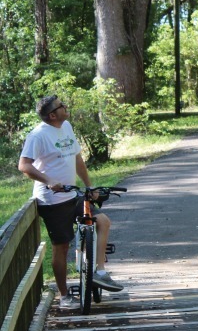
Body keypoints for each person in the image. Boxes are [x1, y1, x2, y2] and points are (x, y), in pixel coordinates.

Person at [18, 95, 123, 309]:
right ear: (52, 114)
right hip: (52, 200)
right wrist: (49, 181)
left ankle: (99, 272)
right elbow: (24, 166)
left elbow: (76, 158)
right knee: (62, 247)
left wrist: (88, 186)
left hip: (73, 194)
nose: (66, 107)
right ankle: (65, 296)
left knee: (102, 221)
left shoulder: (66, 126)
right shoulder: (38, 136)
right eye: (61, 106)